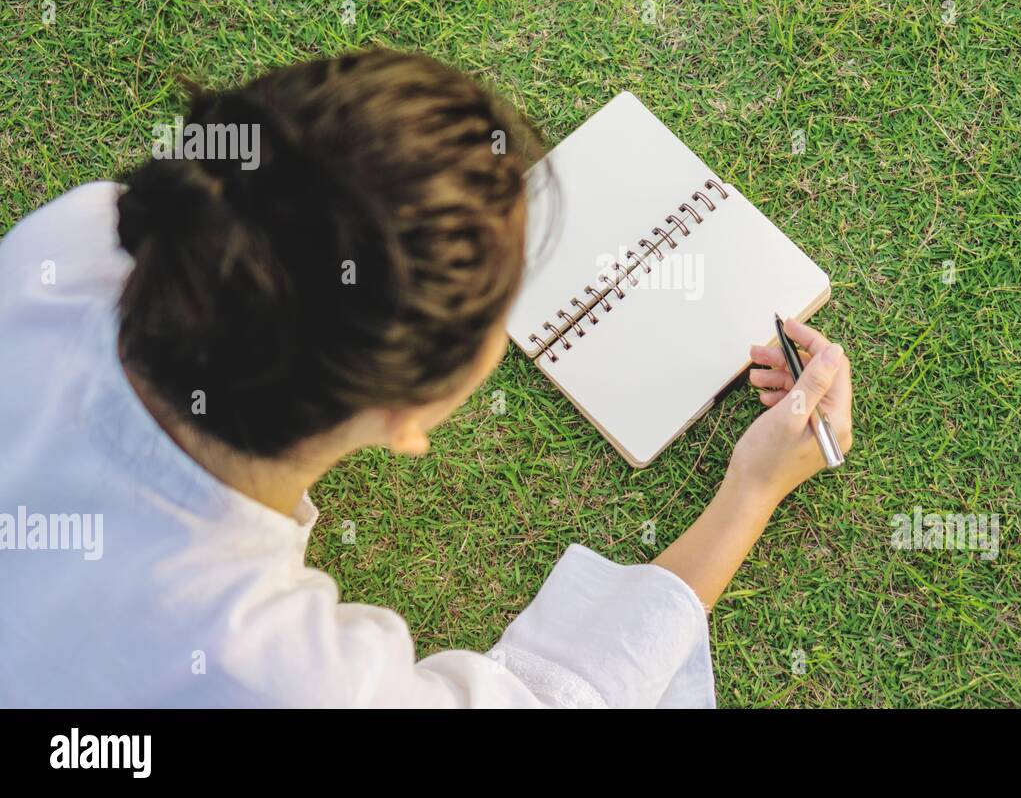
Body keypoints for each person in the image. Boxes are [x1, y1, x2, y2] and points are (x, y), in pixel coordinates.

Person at [0, 49, 852, 707]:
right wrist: (752, 491)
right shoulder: (286, 674)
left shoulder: (66, 242)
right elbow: (562, 700)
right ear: (406, 418)